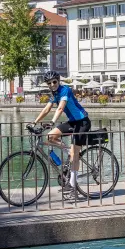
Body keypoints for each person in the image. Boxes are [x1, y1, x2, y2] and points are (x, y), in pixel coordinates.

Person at [33, 70, 91, 199]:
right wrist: (34, 122)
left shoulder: (65, 90)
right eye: (49, 83)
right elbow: (47, 109)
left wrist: (52, 122)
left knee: (74, 154)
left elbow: (60, 108)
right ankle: (68, 151)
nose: (52, 84)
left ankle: (72, 185)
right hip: (72, 122)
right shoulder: (54, 94)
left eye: (54, 82)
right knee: (50, 137)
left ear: (58, 81)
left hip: (82, 123)